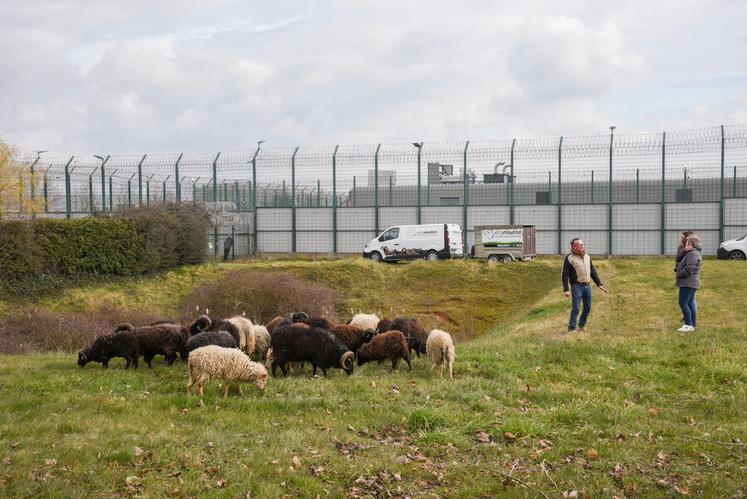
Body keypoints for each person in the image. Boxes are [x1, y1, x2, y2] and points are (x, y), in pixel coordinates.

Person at [561, 238, 608, 332]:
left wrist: (599, 284)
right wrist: (566, 289)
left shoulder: (587, 257)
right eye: (579, 245)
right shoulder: (569, 258)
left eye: (583, 244)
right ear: (573, 247)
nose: (582, 246)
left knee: (588, 307)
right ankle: (572, 328)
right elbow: (565, 274)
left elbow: (593, 271)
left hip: (587, 286)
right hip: (576, 286)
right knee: (576, 308)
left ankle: (582, 325)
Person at [676, 234, 702, 333]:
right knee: (690, 303)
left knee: (683, 303)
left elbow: (689, 268)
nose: (684, 244)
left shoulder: (693, 254)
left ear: (691, 244)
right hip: (691, 283)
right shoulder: (693, 252)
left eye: (687, 243)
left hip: (688, 283)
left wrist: (679, 274)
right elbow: (680, 258)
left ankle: (688, 324)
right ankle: (692, 324)